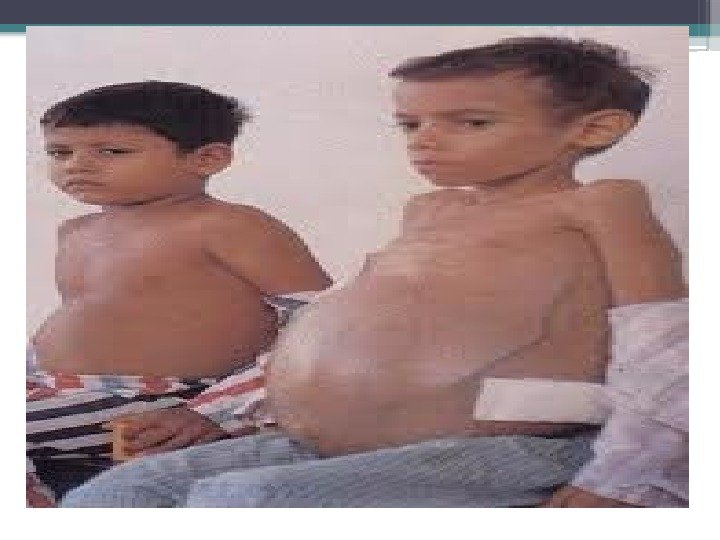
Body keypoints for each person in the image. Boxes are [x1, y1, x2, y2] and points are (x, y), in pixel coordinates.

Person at [61, 37, 688, 508]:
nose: (425, 140)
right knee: (116, 495)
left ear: (594, 129)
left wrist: (625, 478)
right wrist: (224, 414)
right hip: (327, 441)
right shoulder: (428, 211)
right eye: (411, 124)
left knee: (243, 502)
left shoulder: (599, 205)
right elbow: (334, 331)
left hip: (512, 449)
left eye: (471, 122)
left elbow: (664, 344)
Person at [26, 81, 332, 506]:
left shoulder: (228, 226)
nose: (77, 165)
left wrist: (218, 409)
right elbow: (91, 319)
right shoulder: (77, 231)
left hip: (162, 397)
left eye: (112, 151)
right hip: (54, 391)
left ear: (207, 158)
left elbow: (325, 325)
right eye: (60, 153)